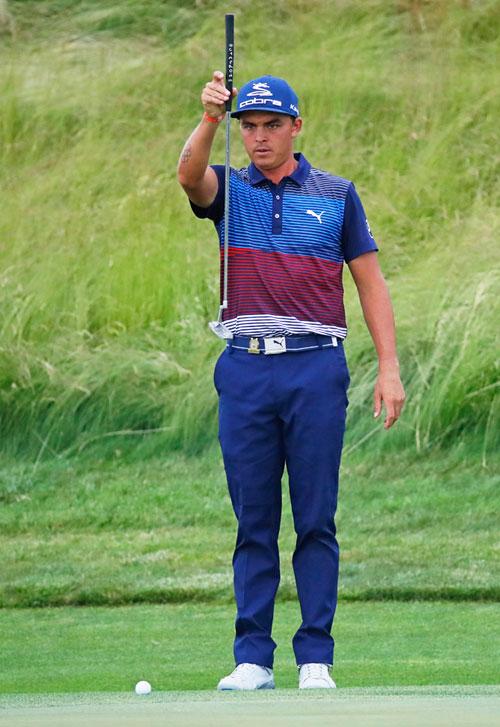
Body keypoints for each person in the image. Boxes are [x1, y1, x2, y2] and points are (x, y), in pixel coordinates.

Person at [177, 72, 405, 690]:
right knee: (253, 519)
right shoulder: (227, 187)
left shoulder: (336, 193)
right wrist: (208, 119)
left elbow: (370, 282)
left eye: (271, 125)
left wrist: (388, 367)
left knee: (314, 518)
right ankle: (252, 657)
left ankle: (315, 658)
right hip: (246, 369)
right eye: (247, 126)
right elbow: (187, 176)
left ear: (297, 126)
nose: (258, 138)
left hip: (315, 368)